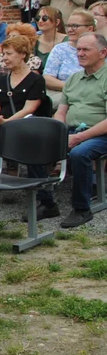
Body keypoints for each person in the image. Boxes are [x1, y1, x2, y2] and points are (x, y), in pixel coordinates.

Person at [31, 33, 107, 228]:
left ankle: (82, 209)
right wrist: (60, 132)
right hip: (72, 131)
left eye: (86, 50)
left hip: (100, 133)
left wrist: (78, 137)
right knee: (35, 147)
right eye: (78, 49)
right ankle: (47, 203)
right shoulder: (74, 79)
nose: (79, 53)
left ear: (103, 53)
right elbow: (61, 112)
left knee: (80, 153)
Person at [0, 36, 50, 214]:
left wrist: (7, 121)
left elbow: (30, 108)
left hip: (25, 127)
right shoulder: (1, 79)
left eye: (9, 54)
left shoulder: (36, 80)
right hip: (1, 124)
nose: (4, 58)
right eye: (3, 54)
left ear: (23, 54)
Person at [44, 9, 93, 93]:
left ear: (90, 28)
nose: (70, 30)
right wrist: (72, 87)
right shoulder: (60, 49)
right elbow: (47, 78)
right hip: (63, 94)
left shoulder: (100, 49)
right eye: (68, 26)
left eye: (75, 26)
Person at [34, 6, 67, 75]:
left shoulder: (67, 41)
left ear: (57, 22)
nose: (40, 21)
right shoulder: (33, 41)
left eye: (45, 18)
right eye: (38, 18)